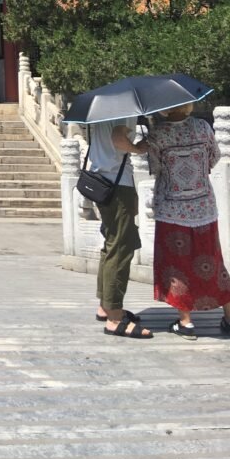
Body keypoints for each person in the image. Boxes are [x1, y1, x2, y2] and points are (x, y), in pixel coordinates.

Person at [148, 102, 230, 339]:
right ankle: (228, 315)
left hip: (172, 210)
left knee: (177, 266)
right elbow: (214, 158)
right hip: (203, 206)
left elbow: (156, 167)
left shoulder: (158, 133)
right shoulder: (203, 127)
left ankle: (186, 322)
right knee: (213, 262)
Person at [89, 118, 153, 338]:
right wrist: (137, 148)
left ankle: (106, 306)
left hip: (102, 181)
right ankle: (115, 318)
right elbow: (118, 139)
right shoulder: (123, 108)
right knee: (120, 248)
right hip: (117, 184)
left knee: (111, 244)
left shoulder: (103, 111)